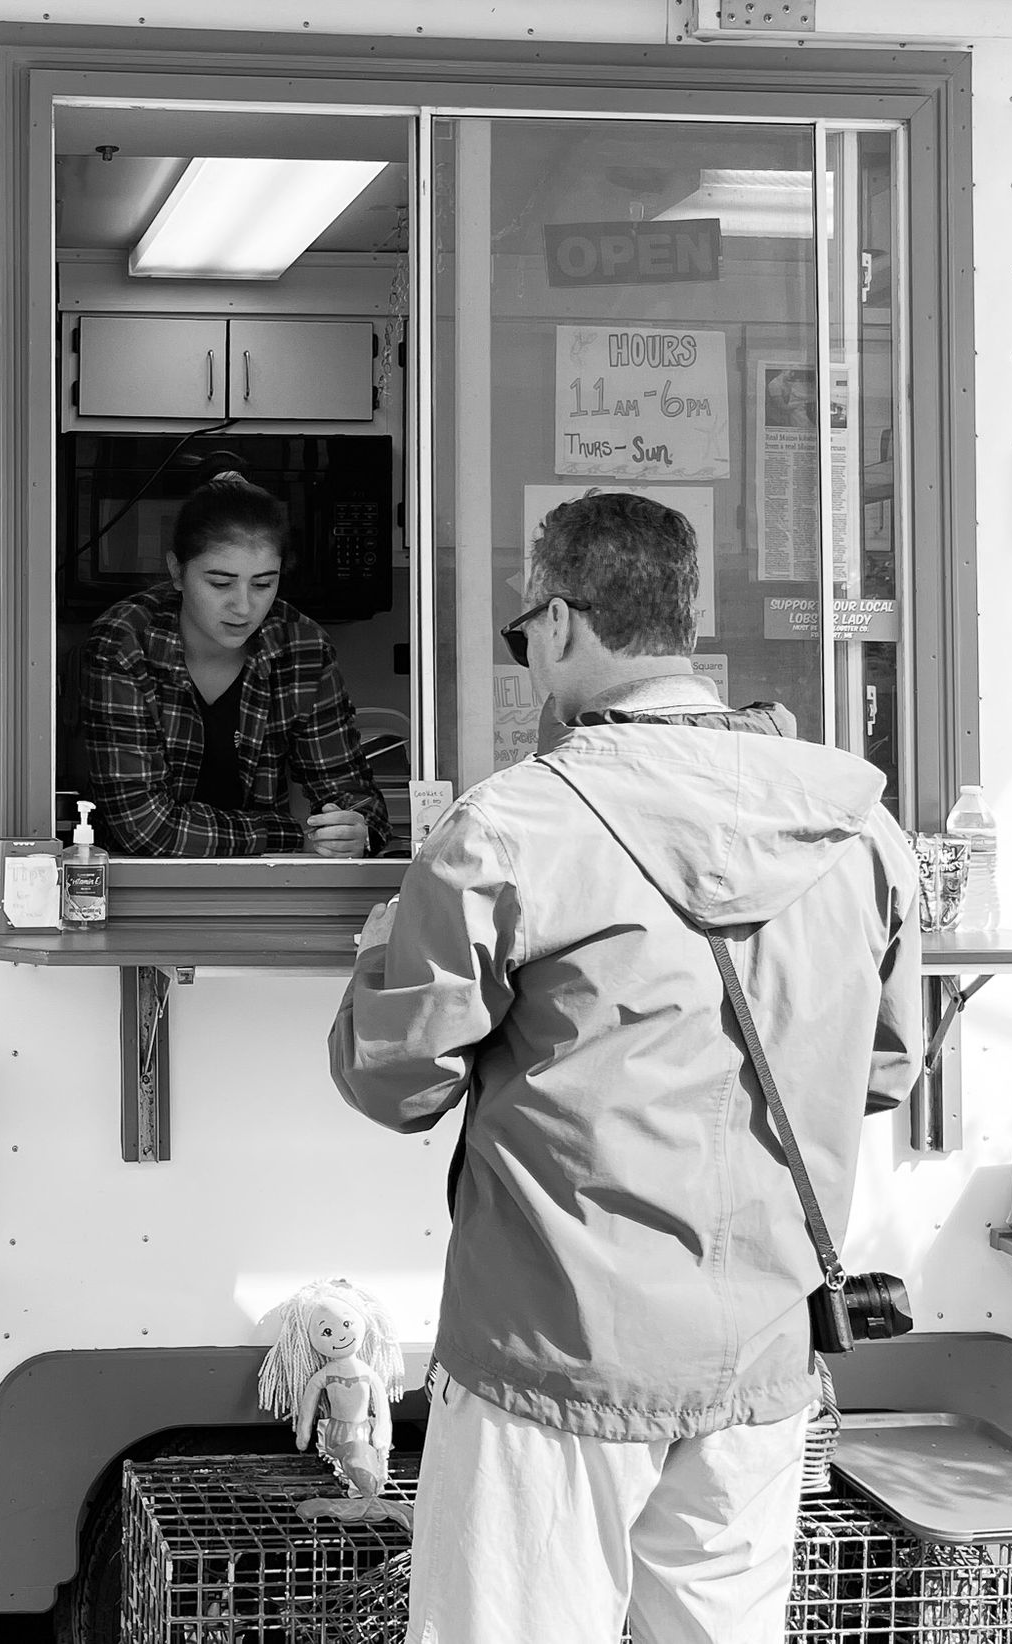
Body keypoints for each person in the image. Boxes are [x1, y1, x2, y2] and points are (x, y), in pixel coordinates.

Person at [326, 491, 921, 1643]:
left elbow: (396, 1084)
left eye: (522, 635)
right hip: (757, 1357)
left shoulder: (505, 829)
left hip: (550, 1357)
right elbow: (883, 1073)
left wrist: (374, 955)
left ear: (556, 622)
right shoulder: (860, 832)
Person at [79, 469, 391, 857]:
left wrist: (355, 831)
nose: (243, 606)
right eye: (220, 583)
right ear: (177, 571)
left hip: (266, 880)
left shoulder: (303, 646)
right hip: (131, 879)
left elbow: (356, 800)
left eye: (263, 584)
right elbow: (143, 828)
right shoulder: (125, 642)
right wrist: (292, 834)